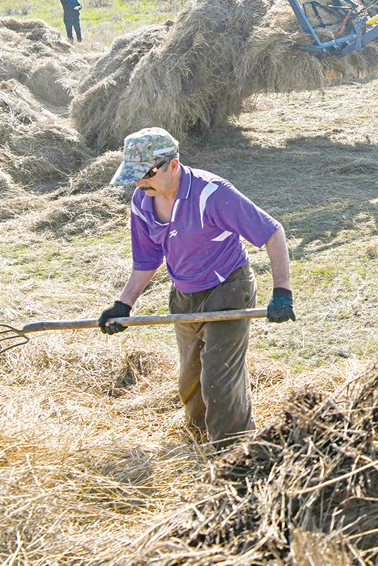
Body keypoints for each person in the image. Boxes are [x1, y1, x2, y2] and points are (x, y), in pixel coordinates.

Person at [99, 127, 296, 445]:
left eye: (146, 174)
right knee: (190, 382)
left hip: (227, 290)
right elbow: (147, 260)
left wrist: (282, 292)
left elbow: (272, 232)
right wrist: (124, 304)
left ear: (172, 165)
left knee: (219, 381)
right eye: (134, 176)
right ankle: (200, 442)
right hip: (184, 295)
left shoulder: (211, 193)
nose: (139, 183)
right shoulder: (142, 201)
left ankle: (235, 453)